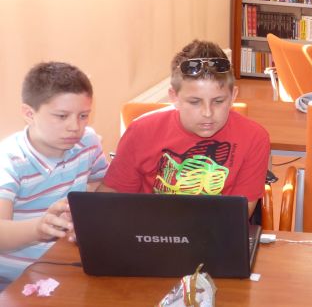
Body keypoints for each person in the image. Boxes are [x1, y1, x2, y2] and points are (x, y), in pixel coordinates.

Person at [100, 40, 270, 216]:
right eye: (195, 102)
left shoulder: (254, 138)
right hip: (148, 227)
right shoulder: (140, 133)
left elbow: (238, 216)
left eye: (218, 101)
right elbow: (113, 202)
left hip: (216, 230)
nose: (207, 113)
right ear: (174, 97)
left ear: (233, 96)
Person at [0, 62, 108, 290]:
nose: (75, 127)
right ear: (29, 114)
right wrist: (38, 229)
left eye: (83, 116)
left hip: (69, 265)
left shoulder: (88, 142)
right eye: (61, 116)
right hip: (14, 281)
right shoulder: (9, 161)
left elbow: (101, 184)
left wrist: (91, 215)